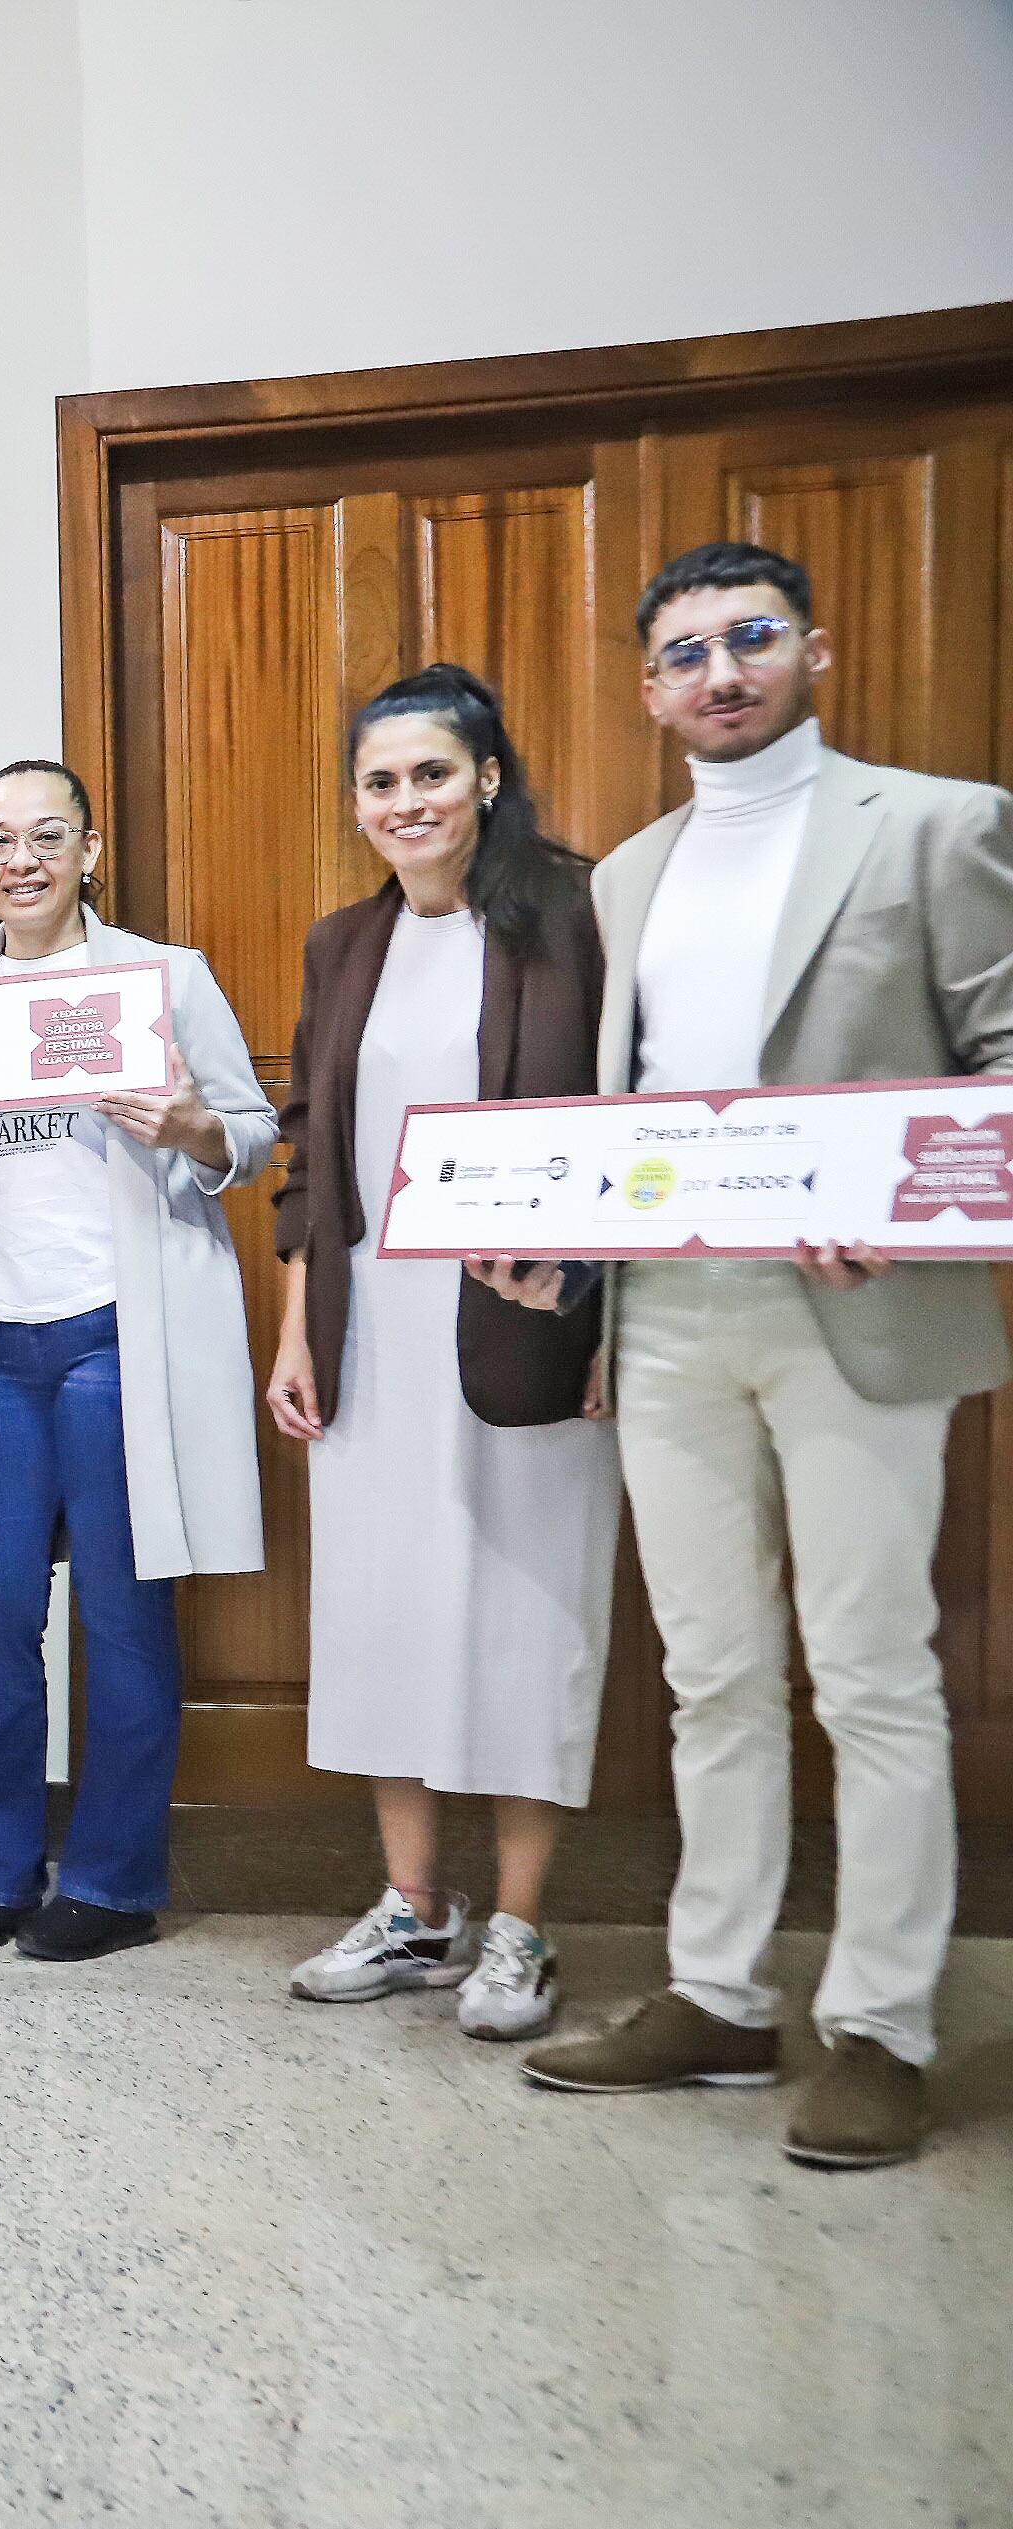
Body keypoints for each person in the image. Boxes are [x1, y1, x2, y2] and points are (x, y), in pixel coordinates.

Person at [518, 541, 1013, 2169]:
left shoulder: (935, 823)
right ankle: (721, 1993)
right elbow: (632, 1105)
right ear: (650, 688)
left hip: (861, 1309)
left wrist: (923, 1198)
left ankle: (880, 2021)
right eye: (685, 654)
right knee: (714, 1673)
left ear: (813, 643)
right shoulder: (632, 872)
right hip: (674, 1311)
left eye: (749, 639)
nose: (720, 673)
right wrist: (571, 1252)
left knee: (874, 1673)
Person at [266, 667, 614, 2040]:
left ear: (486, 778)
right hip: (371, 1332)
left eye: (430, 774)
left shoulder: (573, 915)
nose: (404, 802)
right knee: (380, 1621)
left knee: (530, 1621)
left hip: (531, 1330)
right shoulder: (343, 945)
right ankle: (416, 1910)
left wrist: (606, 1308)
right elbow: (311, 1159)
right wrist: (297, 1329)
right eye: (380, 781)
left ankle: (521, 1930)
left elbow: (627, 1120)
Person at [0, 762, 275, 1960]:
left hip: (118, 1331)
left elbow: (254, 1133)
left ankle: (111, 1880)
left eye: (45, 836)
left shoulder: (161, 979)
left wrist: (190, 1126)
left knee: (121, 1619)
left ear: (88, 848)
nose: (21, 860)